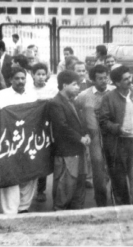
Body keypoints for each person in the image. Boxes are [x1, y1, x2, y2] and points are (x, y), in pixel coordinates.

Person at [99, 65, 133, 205]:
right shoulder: (108, 98)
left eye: (130, 77)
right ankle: (122, 210)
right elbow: (103, 121)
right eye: (125, 79)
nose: (130, 81)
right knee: (119, 180)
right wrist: (118, 129)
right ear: (117, 83)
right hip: (118, 145)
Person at [0, 67, 38, 213]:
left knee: (29, 173)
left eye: (23, 78)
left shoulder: (32, 95)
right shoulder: (2, 95)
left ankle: (24, 208)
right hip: (9, 140)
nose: (20, 81)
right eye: (17, 78)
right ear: (10, 80)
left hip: (28, 139)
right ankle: (10, 211)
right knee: (11, 175)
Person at [49, 70, 91, 211]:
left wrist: (86, 134)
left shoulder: (72, 101)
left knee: (79, 189)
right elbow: (61, 126)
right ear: (65, 85)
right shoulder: (56, 103)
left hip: (78, 150)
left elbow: (79, 123)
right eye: (74, 84)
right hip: (66, 153)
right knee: (64, 189)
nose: (78, 87)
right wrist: (80, 138)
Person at [76, 65, 114, 207]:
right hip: (94, 135)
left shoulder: (113, 91)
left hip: (111, 134)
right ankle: (101, 201)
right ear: (92, 80)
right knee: (97, 163)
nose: (104, 81)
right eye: (100, 79)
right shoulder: (84, 95)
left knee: (112, 165)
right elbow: (75, 111)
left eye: (105, 78)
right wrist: (83, 129)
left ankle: (114, 195)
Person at [30, 62, 58, 202]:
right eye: (38, 74)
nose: (41, 77)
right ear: (32, 75)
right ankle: (27, 192)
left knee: (43, 157)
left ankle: (41, 190)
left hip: (47, 128)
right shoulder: (28, 89)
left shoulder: (52, 90)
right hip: (30, 128)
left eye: (43, 74)